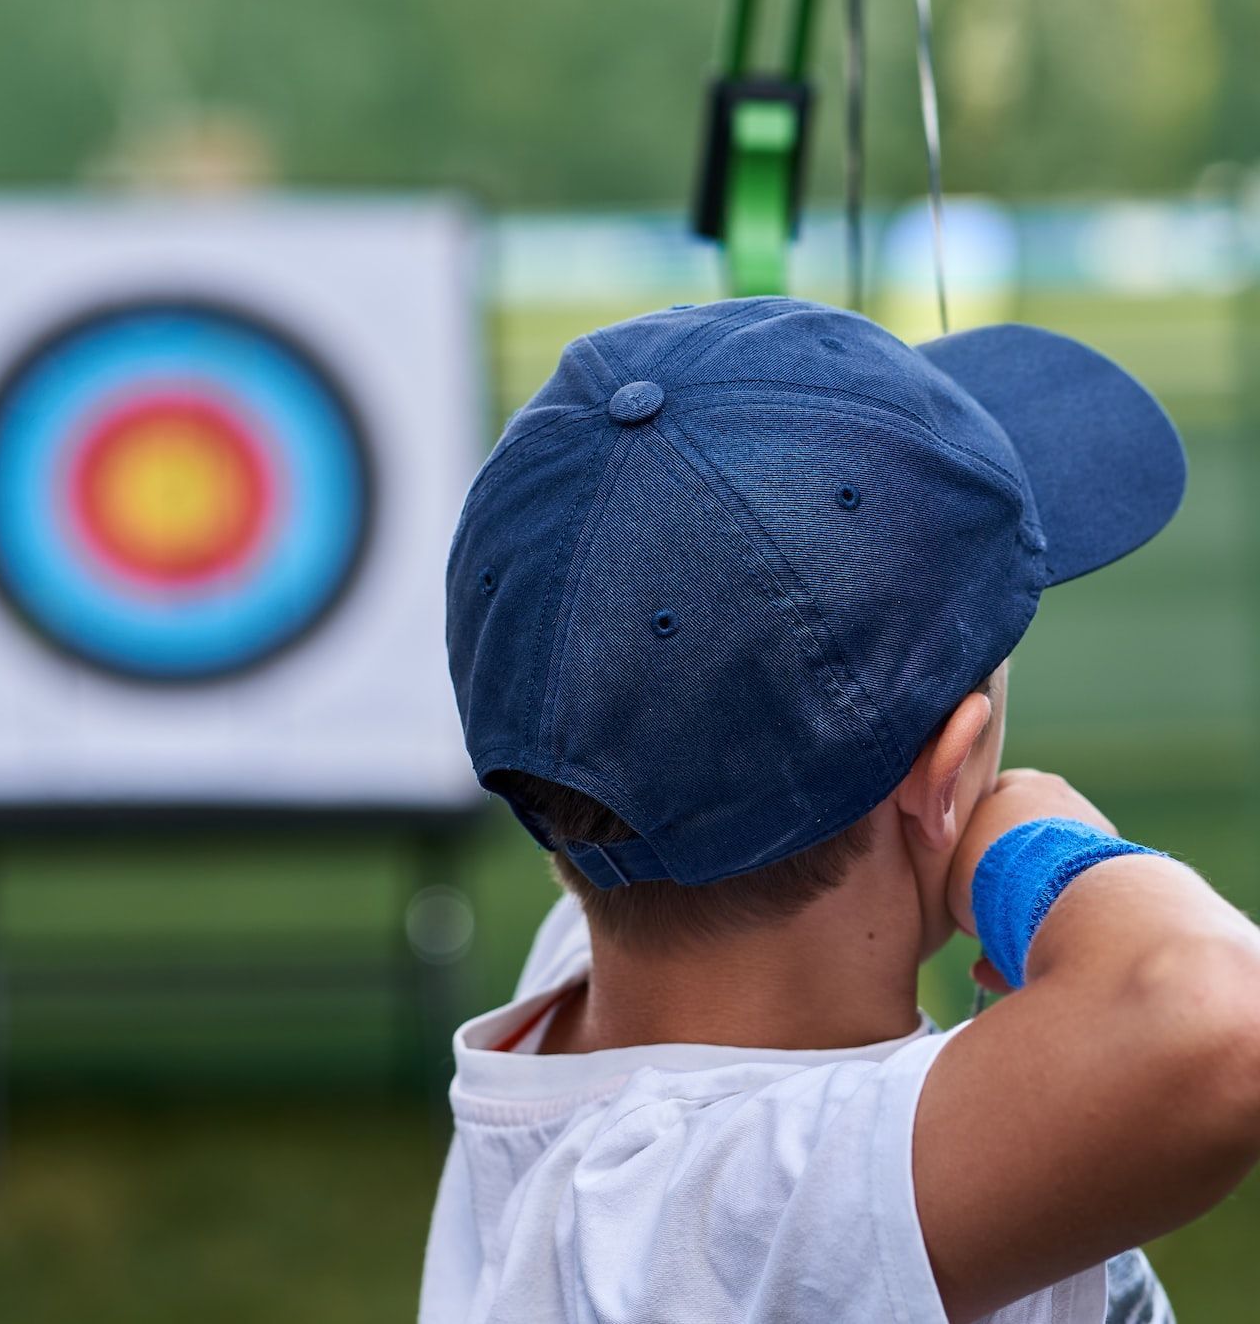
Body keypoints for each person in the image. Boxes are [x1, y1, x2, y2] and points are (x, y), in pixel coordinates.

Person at [421, 297, 1260, 1322]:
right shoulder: (711, 1217)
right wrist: (1033, 855)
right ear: (949, 769)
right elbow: (1221, 1019)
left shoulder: (592, 979)